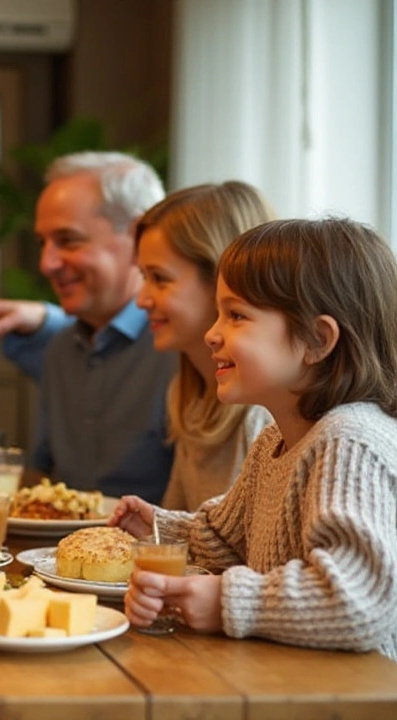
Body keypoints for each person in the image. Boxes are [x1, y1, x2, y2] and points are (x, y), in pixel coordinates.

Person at [110, 218, 397, 720]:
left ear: (317, 340)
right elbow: (226, 538)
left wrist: (225, 603)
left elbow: (354, 600)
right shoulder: (278, 441)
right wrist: (154, 527)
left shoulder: (351, 441)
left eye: (236, 316)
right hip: (320, 694)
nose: (212, 335)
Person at [0, 151, 173, 499]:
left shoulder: (184, 350)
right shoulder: (60, 349)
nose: (47, 264)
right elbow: (43, 474)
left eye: (68, 240)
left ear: (139, 236)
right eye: (43, 243)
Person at [134, 182, 275, 510]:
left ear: (221, 281)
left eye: (160, 278)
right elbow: (176, 537)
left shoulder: (264, 416)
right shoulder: (189, 398)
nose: (142, 299)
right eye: (143, 277)